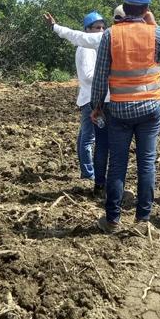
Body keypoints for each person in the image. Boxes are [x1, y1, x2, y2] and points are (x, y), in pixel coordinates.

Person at [90, 0, 160, 233]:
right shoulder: (155, 33)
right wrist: (153, 24)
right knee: (146, 163)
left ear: (124, 6)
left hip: (119, 110)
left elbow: (100, 76)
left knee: (117, 164)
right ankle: (142, 220)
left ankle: (113, 221)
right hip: (150, 109)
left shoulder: (110, 34)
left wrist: (97, 106)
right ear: (146, 8)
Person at [43, 11, 109, 196]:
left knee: (84, 136)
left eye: (103, 27)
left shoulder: (91, 46)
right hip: (91, 98)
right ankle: (88, 174)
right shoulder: (87, 48)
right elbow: (88, 76)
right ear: (87, 30)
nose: (101, 31)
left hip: (89, 97)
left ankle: (87, 171)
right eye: (97, 27)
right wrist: (107, 77)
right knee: (89, 138)